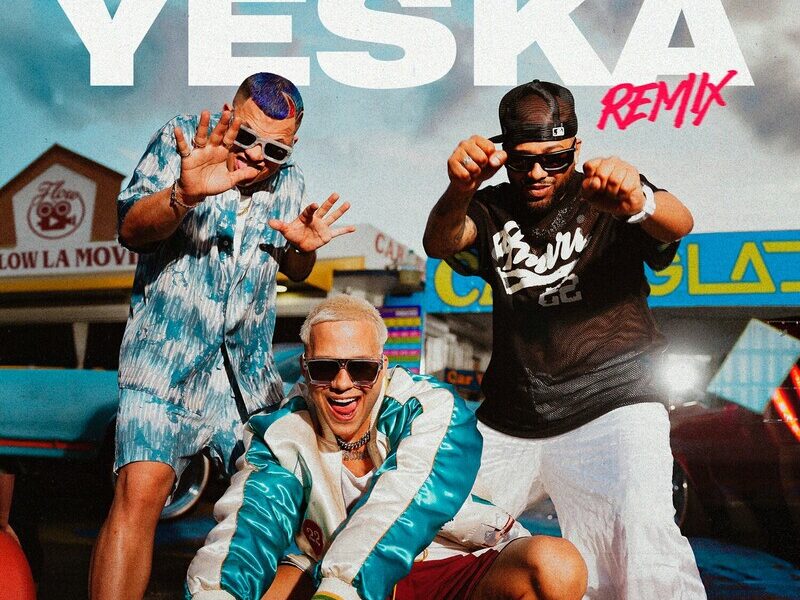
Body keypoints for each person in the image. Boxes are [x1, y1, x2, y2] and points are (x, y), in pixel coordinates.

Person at [423, 80, 706, 599]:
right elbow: (441, 241)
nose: (537, 173)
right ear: (504, 154)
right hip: (512, 416)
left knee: (641, 544)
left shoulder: (604, 192)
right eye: (522, 160)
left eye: (553, 160)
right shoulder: (489, 207)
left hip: (613, 401)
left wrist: (640, 201)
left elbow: (678, 223)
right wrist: (460, 187)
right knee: (436, 535)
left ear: (576, 149)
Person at [90, 72, 354, 600]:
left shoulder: (290, 183)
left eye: (275, 149)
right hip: (165, 364)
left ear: (292, 145)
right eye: (247, 137)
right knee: (140, 491)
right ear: (229, 114)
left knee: (283, 508)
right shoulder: (184, 141)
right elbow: (130, 229)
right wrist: (182, 196)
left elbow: (293, 267)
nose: (256, 156)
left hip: (246, 381)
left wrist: (303, 251)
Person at [185, 294, 588, 600]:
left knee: (557, 566)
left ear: (382, 365)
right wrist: (213, 593)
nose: (343, 384)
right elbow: (249, 522)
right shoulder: (281, 431)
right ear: (306, 369)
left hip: (445, 558)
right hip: (333, 566)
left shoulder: (428, 406)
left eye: (360, 368)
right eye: (325, 368)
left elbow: (404, 496)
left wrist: (342, 590)